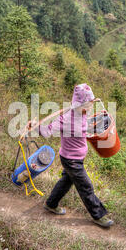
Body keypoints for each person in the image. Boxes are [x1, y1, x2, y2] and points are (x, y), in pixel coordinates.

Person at [28, 84, 114, 228]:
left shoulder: (84, 114)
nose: (91, 106)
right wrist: (36, 126)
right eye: (88, 103)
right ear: (79, 103)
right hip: (71, 160)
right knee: (86, 186)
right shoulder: (66, 119)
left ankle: (51, 204)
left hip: (78, 157)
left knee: (66, 182)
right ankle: (98, 215)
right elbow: (48, 131)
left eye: (91, 103)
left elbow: (84, 129)